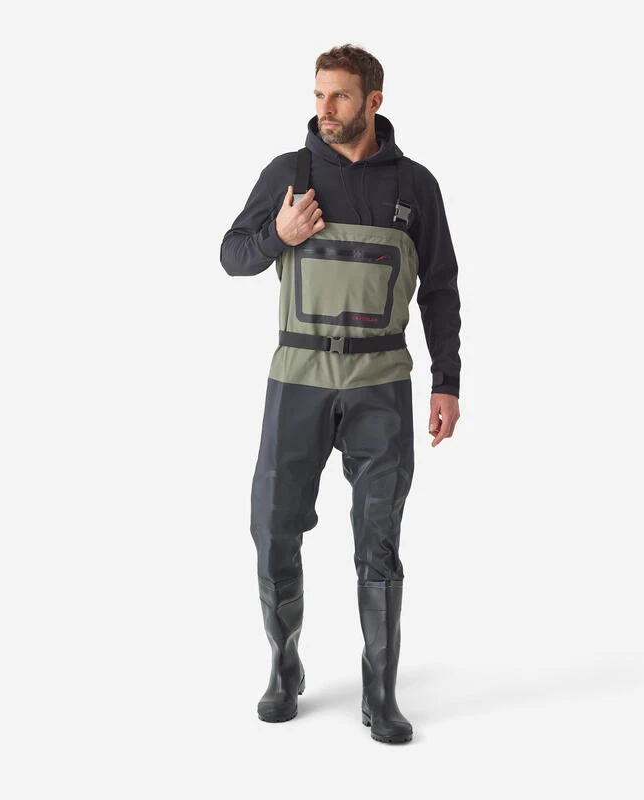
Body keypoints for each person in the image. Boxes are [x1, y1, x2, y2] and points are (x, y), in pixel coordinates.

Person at [220, 44, 461, 744]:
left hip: (381, 384)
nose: (325, 109)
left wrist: (447, 381)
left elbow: (440, 288)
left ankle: (379, 692)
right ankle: (284, 666)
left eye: (341, 96)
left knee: (379, 538)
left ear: (374, 102)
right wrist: (278, 234)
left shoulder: (415, 187)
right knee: (273, 526)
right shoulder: (288, 174)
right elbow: (232, 255)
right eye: (319, 94)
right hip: (297, 378)